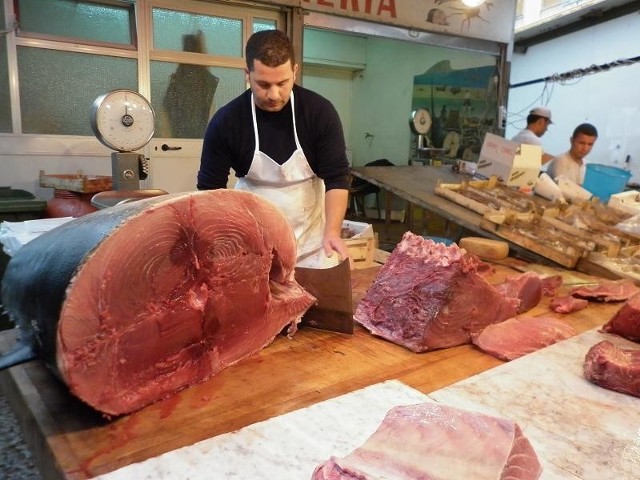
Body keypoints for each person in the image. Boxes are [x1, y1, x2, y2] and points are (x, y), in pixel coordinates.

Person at [197, 29, 350, 268]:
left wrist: (332, 232)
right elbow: (210, 189)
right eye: (263, 84)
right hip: (251, 246)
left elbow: (337, 178)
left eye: (283, 83)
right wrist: (218, 238)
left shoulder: (319, 113)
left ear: (295, 72)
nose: (274, 94)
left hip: (311, 244)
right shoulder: (227, 121)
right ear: (247, 74)